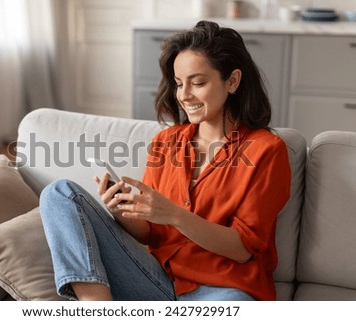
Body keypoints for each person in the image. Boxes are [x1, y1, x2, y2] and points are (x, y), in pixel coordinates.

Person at [39, 20, 291, 301]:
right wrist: (121, 209)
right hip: (154, 279)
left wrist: (174, 214)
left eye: (198, 83)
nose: (184, 95)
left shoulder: (267, 150)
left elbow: (243, 248)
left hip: (224, 289)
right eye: (179, 84)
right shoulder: (167, 142)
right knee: (59, 193)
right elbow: (151, 234)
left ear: (232, 81)